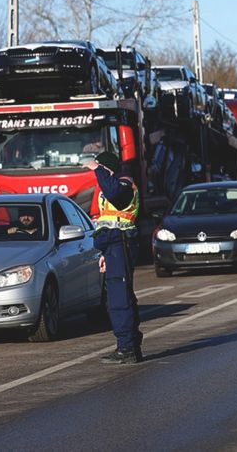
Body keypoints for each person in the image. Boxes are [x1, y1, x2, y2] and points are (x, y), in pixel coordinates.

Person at [82, 151, 143, 364]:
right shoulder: (112, 185)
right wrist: (103, 254)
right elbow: (107, 221)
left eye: (101, 168)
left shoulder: (123, 184)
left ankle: (127, 347)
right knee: (117, 297)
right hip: (113, 246)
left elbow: (115, 196)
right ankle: (128, 345)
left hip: (122, 243)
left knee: (120, 297)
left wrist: (97, 169)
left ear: (108, 168)